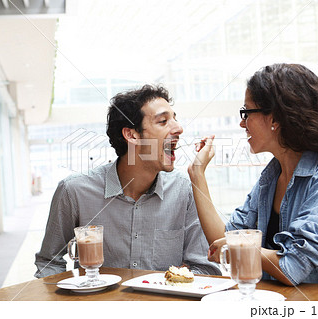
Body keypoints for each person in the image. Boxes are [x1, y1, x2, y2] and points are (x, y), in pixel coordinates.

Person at [188, 63, 318, 288]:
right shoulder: (272, 175)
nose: (242, 123)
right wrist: (197, 174)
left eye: (246, 112)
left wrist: (238, 247)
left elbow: (293, 267)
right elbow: (222, 239)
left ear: (274, 119)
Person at [35, 84, 220, 278]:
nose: (179, 128)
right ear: (132, 135)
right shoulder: (73, 191)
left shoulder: (184, 189)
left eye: (175, 119)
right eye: (163, 121)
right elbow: (49, 263)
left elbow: (204, 268)